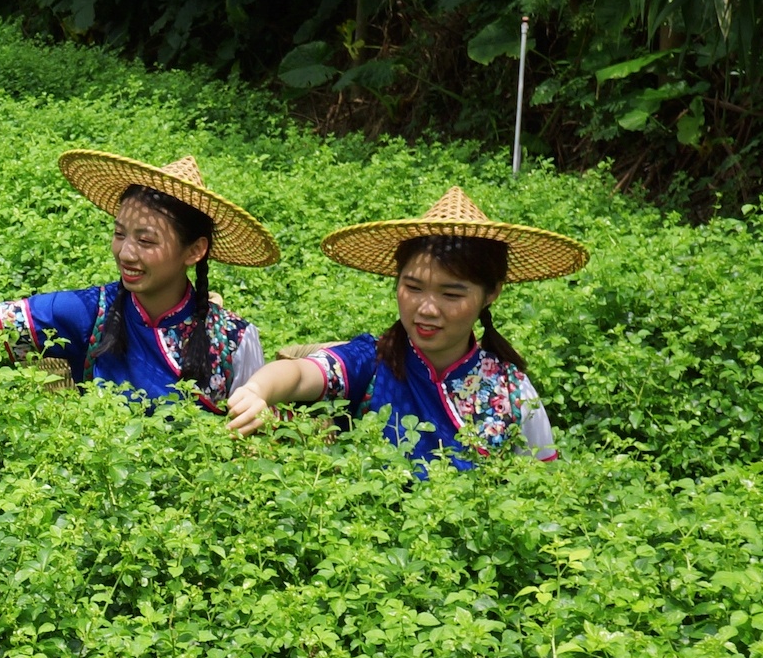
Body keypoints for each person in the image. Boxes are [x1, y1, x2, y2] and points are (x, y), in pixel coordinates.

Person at [226, 188, 583, 468]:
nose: (427, 309)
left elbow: (539, 489)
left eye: (451, 293)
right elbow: (302, 374)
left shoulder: (512, 391)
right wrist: (258, 389)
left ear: (491, 293)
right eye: (413, 288)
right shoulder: (372, 361)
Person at [0, 153, 277, 410]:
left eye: (146, 241)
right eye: (119, 233)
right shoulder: (91, 311)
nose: (125, 253)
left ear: (195, 250)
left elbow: (253, 441)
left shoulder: (234, 340)